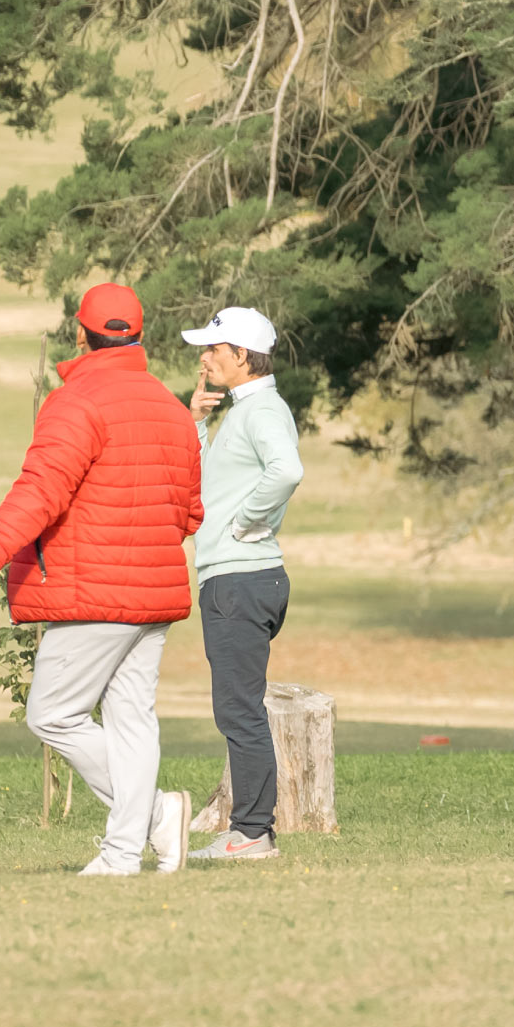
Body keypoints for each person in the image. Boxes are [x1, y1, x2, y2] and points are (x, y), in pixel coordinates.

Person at [0, 283, 204, 876]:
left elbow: (40, 492)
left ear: (79, 334)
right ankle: (123, 855)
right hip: (153, 592)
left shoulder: (76, 402)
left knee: (52, 715)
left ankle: (151, 819)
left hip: (95, 594)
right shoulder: (172, 408)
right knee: (132, 723)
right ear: (141, 334)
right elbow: (191, 512)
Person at [181, 307, 304, 862]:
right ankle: (251, 829)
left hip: (242, 580)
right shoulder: (242, 410)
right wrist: (198, 424)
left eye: (214, 349)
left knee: (238, 710)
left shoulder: (263, 410)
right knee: (239, 707)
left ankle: (252, 833)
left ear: (241, 355)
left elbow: (287, 471)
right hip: (234, 578)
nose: (205, 358)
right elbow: (211, 484)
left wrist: (245, 523)